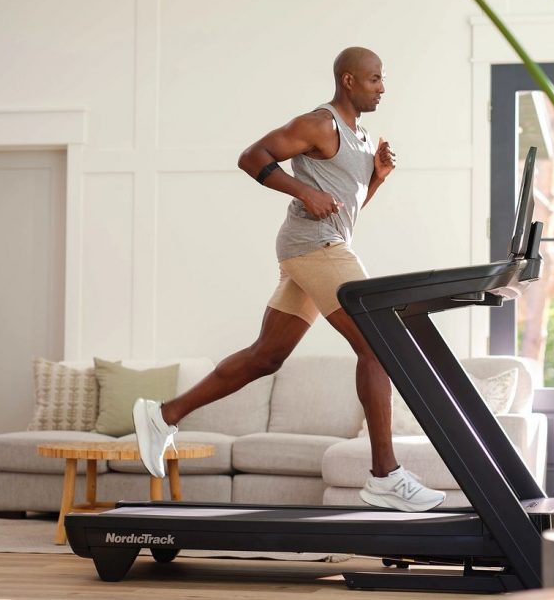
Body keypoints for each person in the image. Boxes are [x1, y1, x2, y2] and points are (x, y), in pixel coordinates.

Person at [132, 47, 445, 512]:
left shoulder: (360, 138)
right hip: (313, 248)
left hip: (320, 247)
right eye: (375, 79)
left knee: (266, 356)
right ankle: (384, 475)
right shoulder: (320, 124)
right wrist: (303, 190)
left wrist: (375, 179)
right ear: (348, 81)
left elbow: (343, 213)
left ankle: (163, 414)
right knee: (379, 345)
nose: (383, 87)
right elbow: (251, 156)